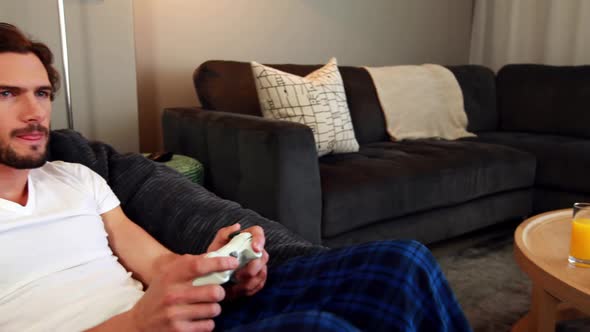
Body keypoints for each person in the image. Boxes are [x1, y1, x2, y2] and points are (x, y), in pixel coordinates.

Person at [0, 22, 471, 332]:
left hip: (178, 324)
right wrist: (136, 323)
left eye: (41, 93)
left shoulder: (78, 178)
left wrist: (216, 272)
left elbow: (161, 267)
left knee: (400, 263)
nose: (34, 112)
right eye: (6, 94)